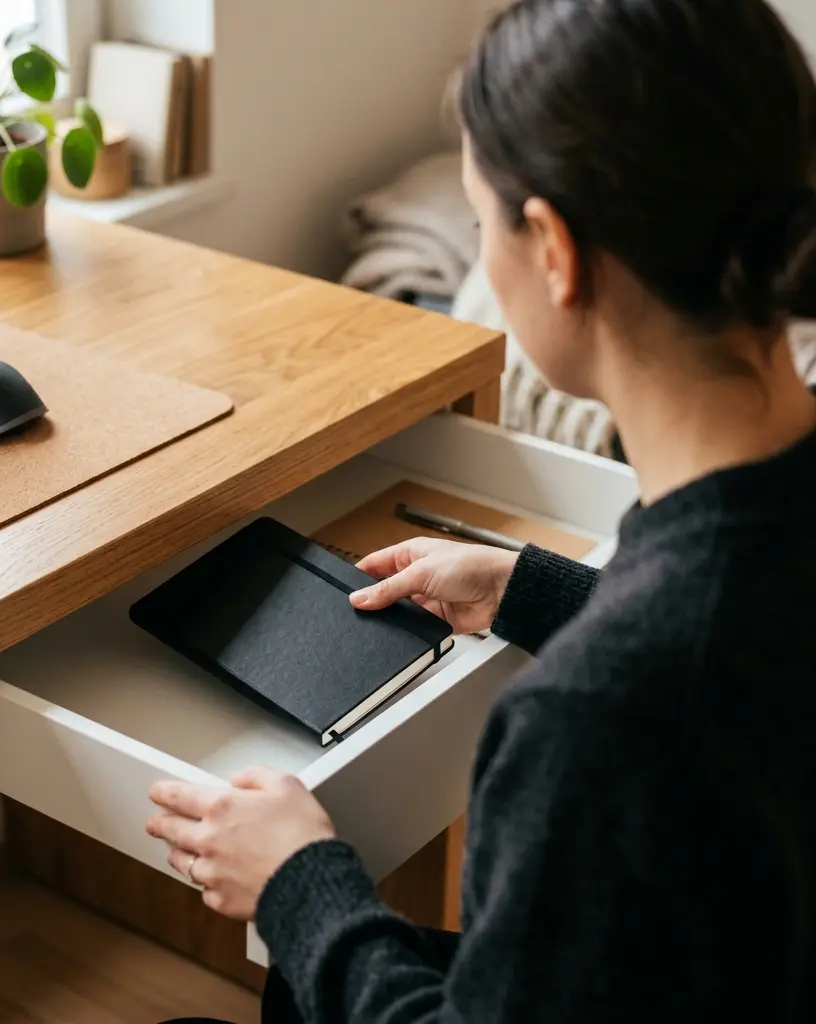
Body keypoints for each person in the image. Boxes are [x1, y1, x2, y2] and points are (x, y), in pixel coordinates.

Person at [148, 0, 816, 1020]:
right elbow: (749, 633)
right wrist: (533, 587)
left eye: (477, 218)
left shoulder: (592, 723)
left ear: (550, 246)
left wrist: (298, 884)